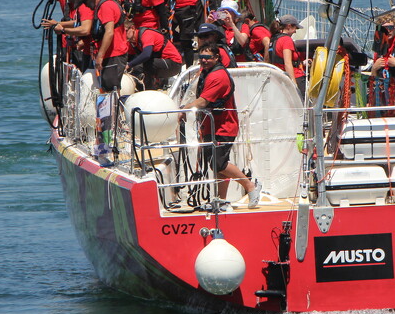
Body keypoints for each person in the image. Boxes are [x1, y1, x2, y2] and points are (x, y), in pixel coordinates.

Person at [185, 44, 261, 208]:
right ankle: (221, 200)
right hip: (211, 126)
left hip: (224, 127)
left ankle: (250, 186)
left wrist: (182, 110)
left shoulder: (217, 77)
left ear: (217, 58)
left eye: (208, 58)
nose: (204, 61)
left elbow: (203, 101)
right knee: (218, 165)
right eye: (201, 58)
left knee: (219, 164)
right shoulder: (205, 73)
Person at [125, 23, 182, 90]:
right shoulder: (133, 42)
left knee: (145, 64)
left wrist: (129, 65)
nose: (124, 34)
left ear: (133, 28)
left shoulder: (146, 34)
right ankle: (142, 88)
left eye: (126, 31)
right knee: (135, 69)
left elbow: (146, 55)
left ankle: (149, 90)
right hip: (161, 63)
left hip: (174, 64)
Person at [270, 15, 305, 99]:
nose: (295, 31)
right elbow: (288, 63)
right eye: (295, 28)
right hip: (295, 77)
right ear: (289, 26)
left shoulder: (273, 39)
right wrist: (293, 84)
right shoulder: (286, 40)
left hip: (278, 78)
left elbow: (269, 60)